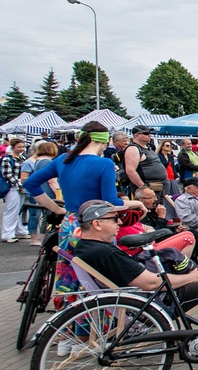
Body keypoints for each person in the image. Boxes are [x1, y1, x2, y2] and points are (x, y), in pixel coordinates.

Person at [73, 200, 198, 334]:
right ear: (97, 224)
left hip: (142, 298)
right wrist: (190, 278)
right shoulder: (106, 253)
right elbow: (149, 283)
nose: (120, 222)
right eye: (115, 219)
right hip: (155, 303)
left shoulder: (87, 247)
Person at [24, 121, 147, 305]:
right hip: (96, 225)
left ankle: (64, 321)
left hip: (70, 223)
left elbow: (30, 183)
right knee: (98, 278)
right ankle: (94, 324)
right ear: (103, 142)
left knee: (68, 274)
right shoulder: (103, 163)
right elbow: (110, 202)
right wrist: (137, 203)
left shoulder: (63, 160)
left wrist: (57, 209)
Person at [20, 141, 60, 246]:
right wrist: (58, 192)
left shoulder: (37, 161)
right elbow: (51, 180)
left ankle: (40, 239)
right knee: (48, 218)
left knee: (42, 217)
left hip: (40, 191)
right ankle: (45, 241)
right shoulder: (47, 162)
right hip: (49, 193)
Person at [123, 125, 168, 201]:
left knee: (158, 211)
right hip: (146, 189)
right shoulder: (133, 149)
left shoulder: (148, 148)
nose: (149, 135)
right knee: (148, 211)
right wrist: (143, 188)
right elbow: (130, 171)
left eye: (149, 133)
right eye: (146, 133)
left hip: (158, 187)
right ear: (136, 135)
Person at [0, 138, 30, 243]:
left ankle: (21, 231)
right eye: (19, 147)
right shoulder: (7, 159)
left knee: (21, 210)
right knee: (11, 210)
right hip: (11, 187)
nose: (21, 149)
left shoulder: (22, 157)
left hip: (21, 186)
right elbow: (7, 175)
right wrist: (19, 186)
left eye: (22, 146)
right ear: (13, 147)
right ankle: (7, 234)